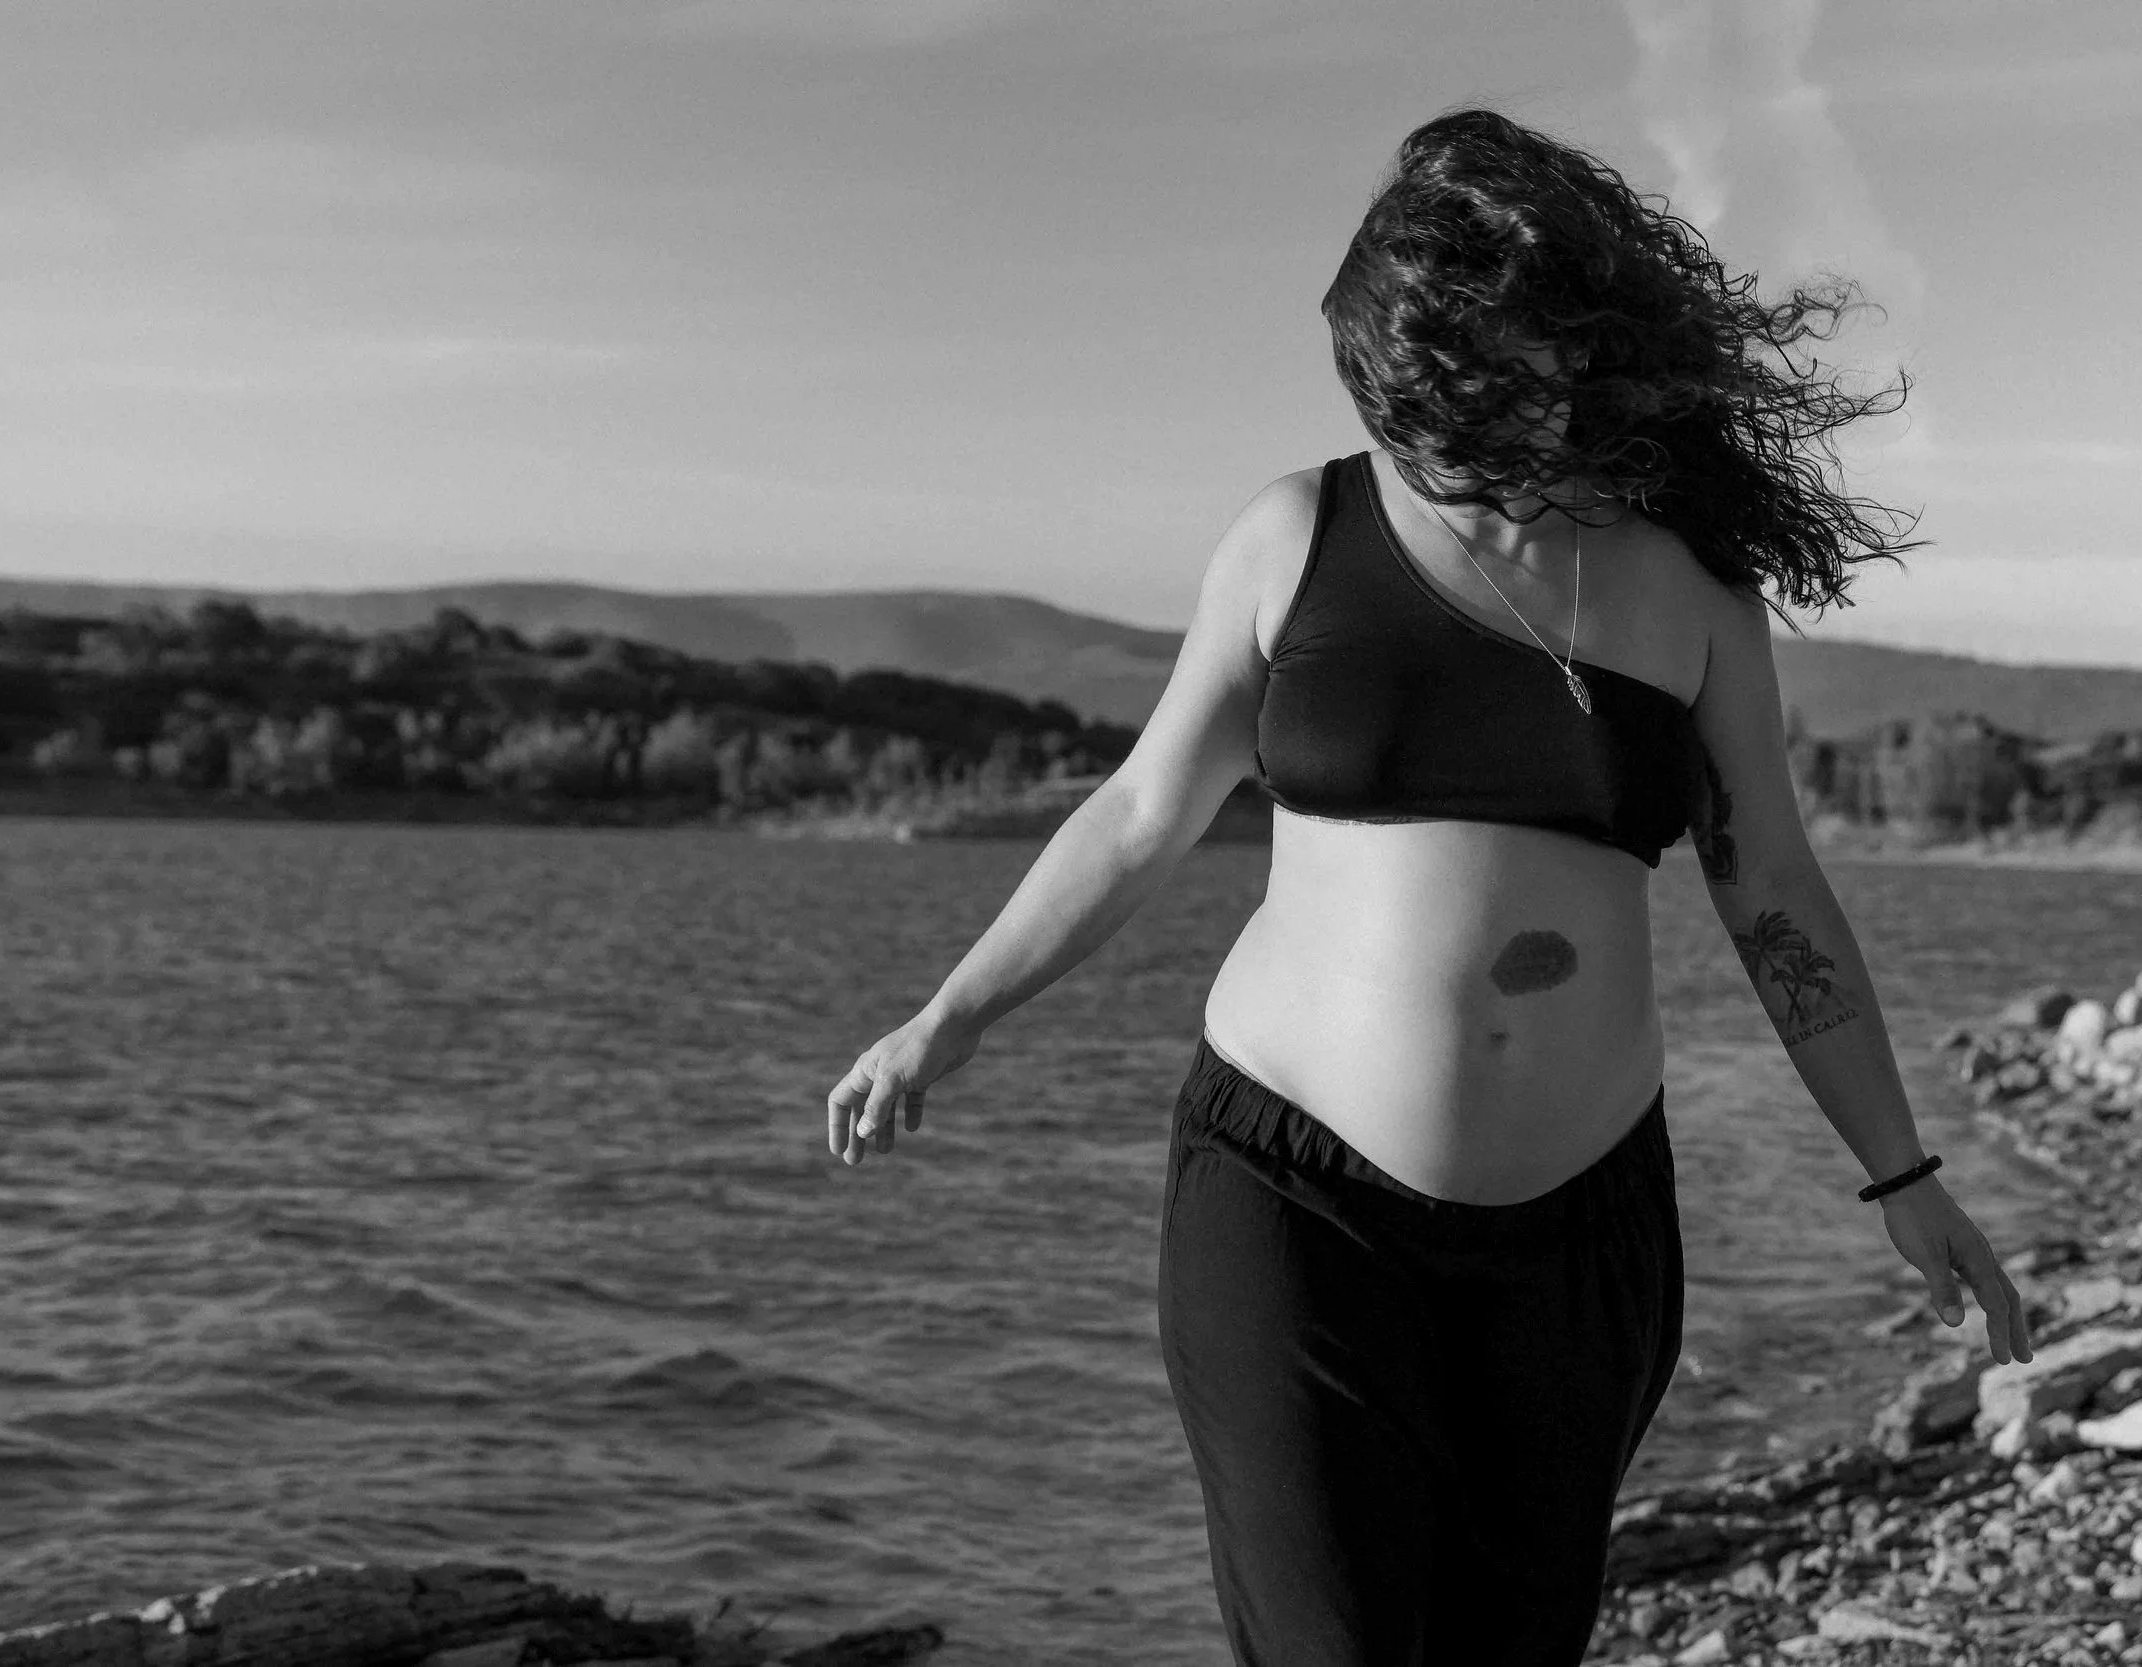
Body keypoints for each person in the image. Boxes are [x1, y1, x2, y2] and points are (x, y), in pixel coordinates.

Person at [826, 106, 2036, 1667]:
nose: (1442, 453)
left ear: (1565, 348)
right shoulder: (1293, 536)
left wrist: (1901, 1172)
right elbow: (1139, 813)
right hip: (1293, 1196)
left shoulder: (1691, 597)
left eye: (1479, 400)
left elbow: (1775, 895)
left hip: (1581, 1233)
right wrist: (950, 1015)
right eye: (1411, 419)